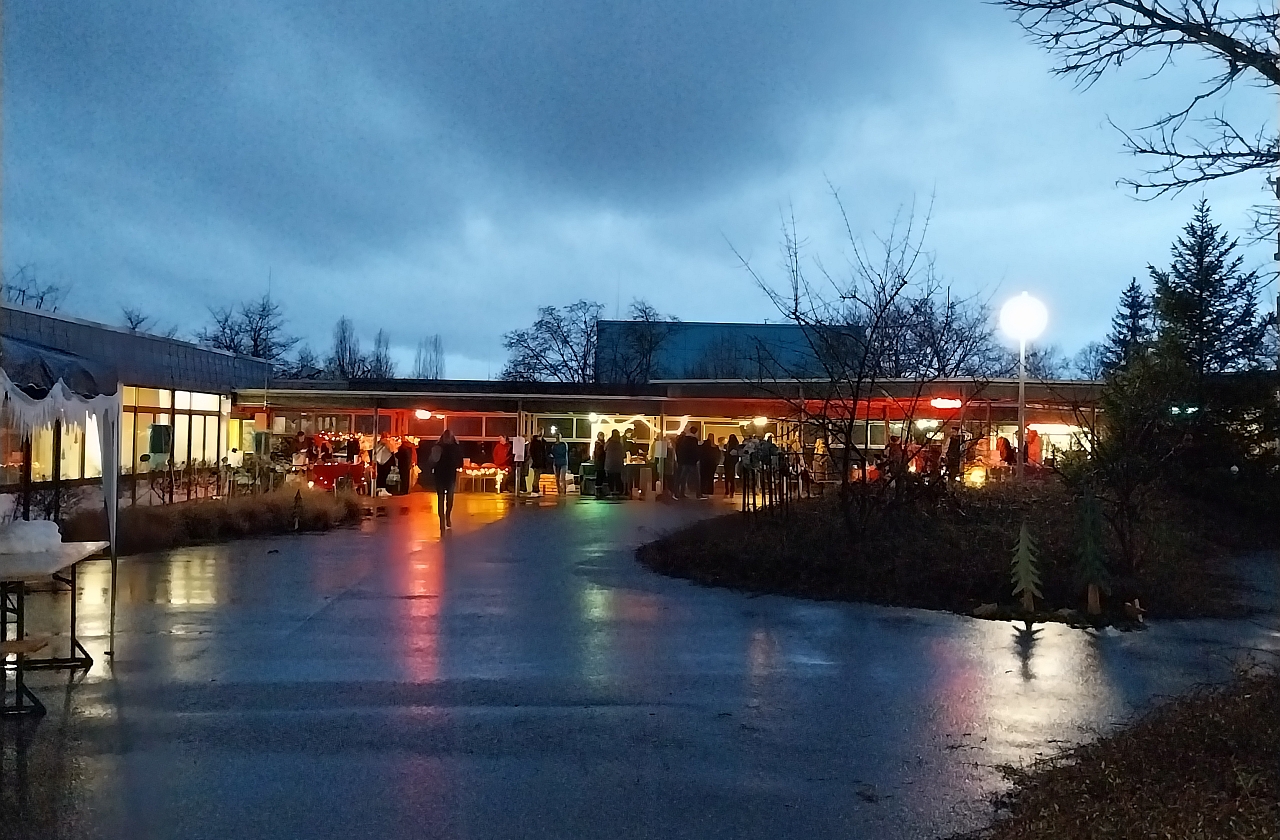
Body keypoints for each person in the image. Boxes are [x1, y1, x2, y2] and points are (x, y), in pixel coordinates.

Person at [429, 430, 463, 529]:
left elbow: (432, 460)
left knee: (440, 498)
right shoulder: (455, 447)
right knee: (450, 497)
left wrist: (431, 468)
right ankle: (448, 516)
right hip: (451, 474)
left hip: (439, 475)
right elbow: (460, 461)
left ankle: (442, 520)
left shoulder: (437, 447)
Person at [676, 427, 702, 499]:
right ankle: (698, 494)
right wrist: (697, 459)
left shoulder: (684, 440)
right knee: (697, 478)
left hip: (684, 462)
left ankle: (680, 493)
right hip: (692, 462)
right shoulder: (693, 440)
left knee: (683, 478)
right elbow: (695, 451)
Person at [605, 429, 625, 496]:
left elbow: (605, 449)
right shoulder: (619, 443)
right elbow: (622, 453)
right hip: (618, 463)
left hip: (610, 462)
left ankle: (611, 490)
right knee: (618, 477)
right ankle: (619, 490)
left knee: (610, 477)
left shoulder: (609, 442)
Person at [592, 432, 608, 498]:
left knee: (601, 476)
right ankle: (598, 491)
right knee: (599, 476)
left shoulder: (601, 443)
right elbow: (598, 453)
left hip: (602, 462)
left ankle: (599, 490)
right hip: (600, 463)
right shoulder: (599, 443)